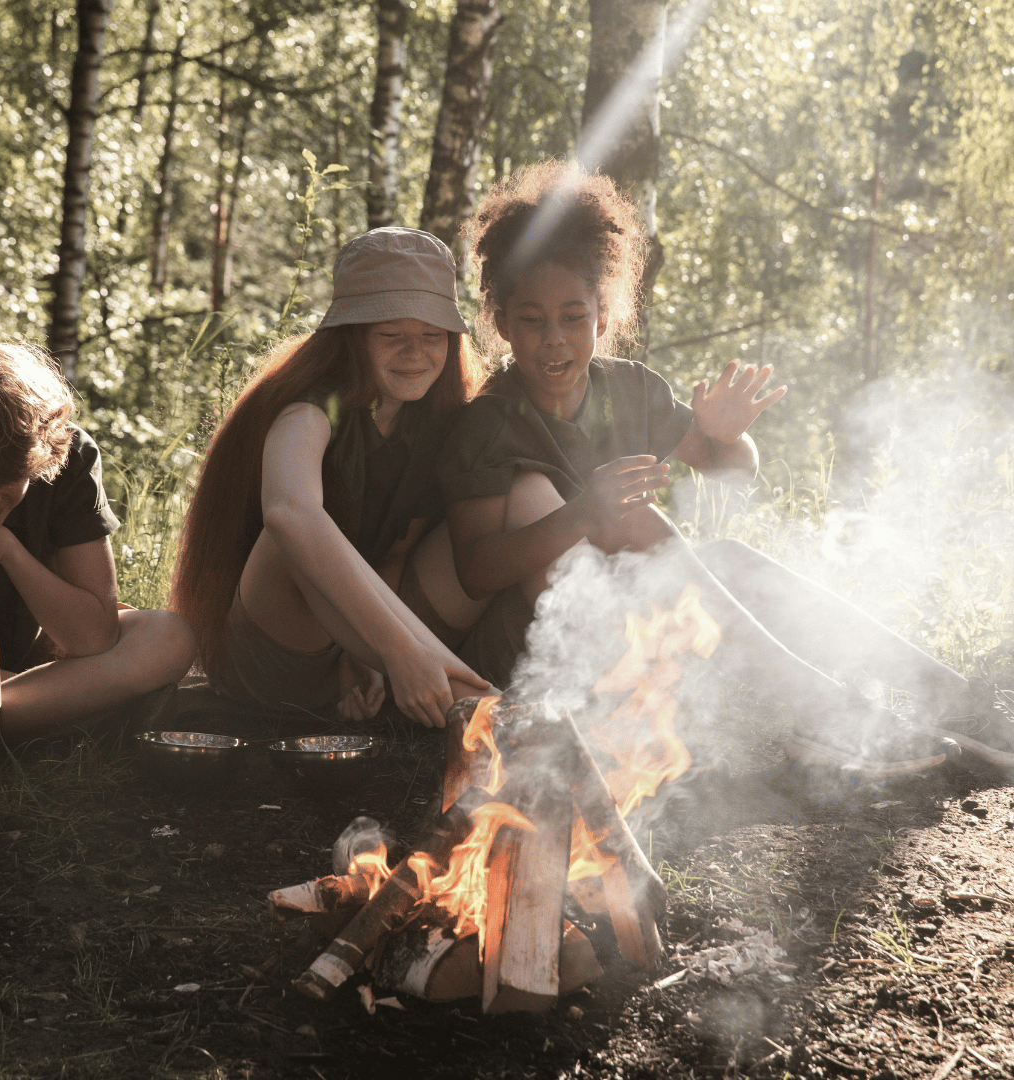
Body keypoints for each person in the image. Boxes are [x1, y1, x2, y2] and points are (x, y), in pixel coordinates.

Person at [434, 160, 1013, 778]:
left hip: (641, 623)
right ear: (502, 322)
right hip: (544, 652)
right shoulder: (487, 423)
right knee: (638, 525)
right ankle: (825, 713)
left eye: (573, 317)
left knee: (732, 557)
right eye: (532, 320)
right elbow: (476, 570)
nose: (554, 338)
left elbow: (732, 471)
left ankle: (961, 702)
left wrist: (726, 437)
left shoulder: (629, 389)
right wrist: (582, 515)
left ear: (602, 315)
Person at [170, 227, 493, 728]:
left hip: (361, 646)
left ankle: (489, 711)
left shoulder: (433, 422)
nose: (415, 352)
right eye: (391, 335)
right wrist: (399, 651)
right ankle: (488, 715)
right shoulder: (307, 409)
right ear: (352, 337)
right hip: (272, 651)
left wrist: (367, 658)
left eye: (433, 336)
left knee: (487, 517)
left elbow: (396, 557)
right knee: (293, 535)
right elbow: (288, 512)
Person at [0, 337, 197, 741]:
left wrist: (8, 549)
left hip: (32, 666)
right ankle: (60, 710)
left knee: (167, 638)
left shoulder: (65, 454)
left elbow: (93, 637)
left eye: (5, 481)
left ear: (38, 459)